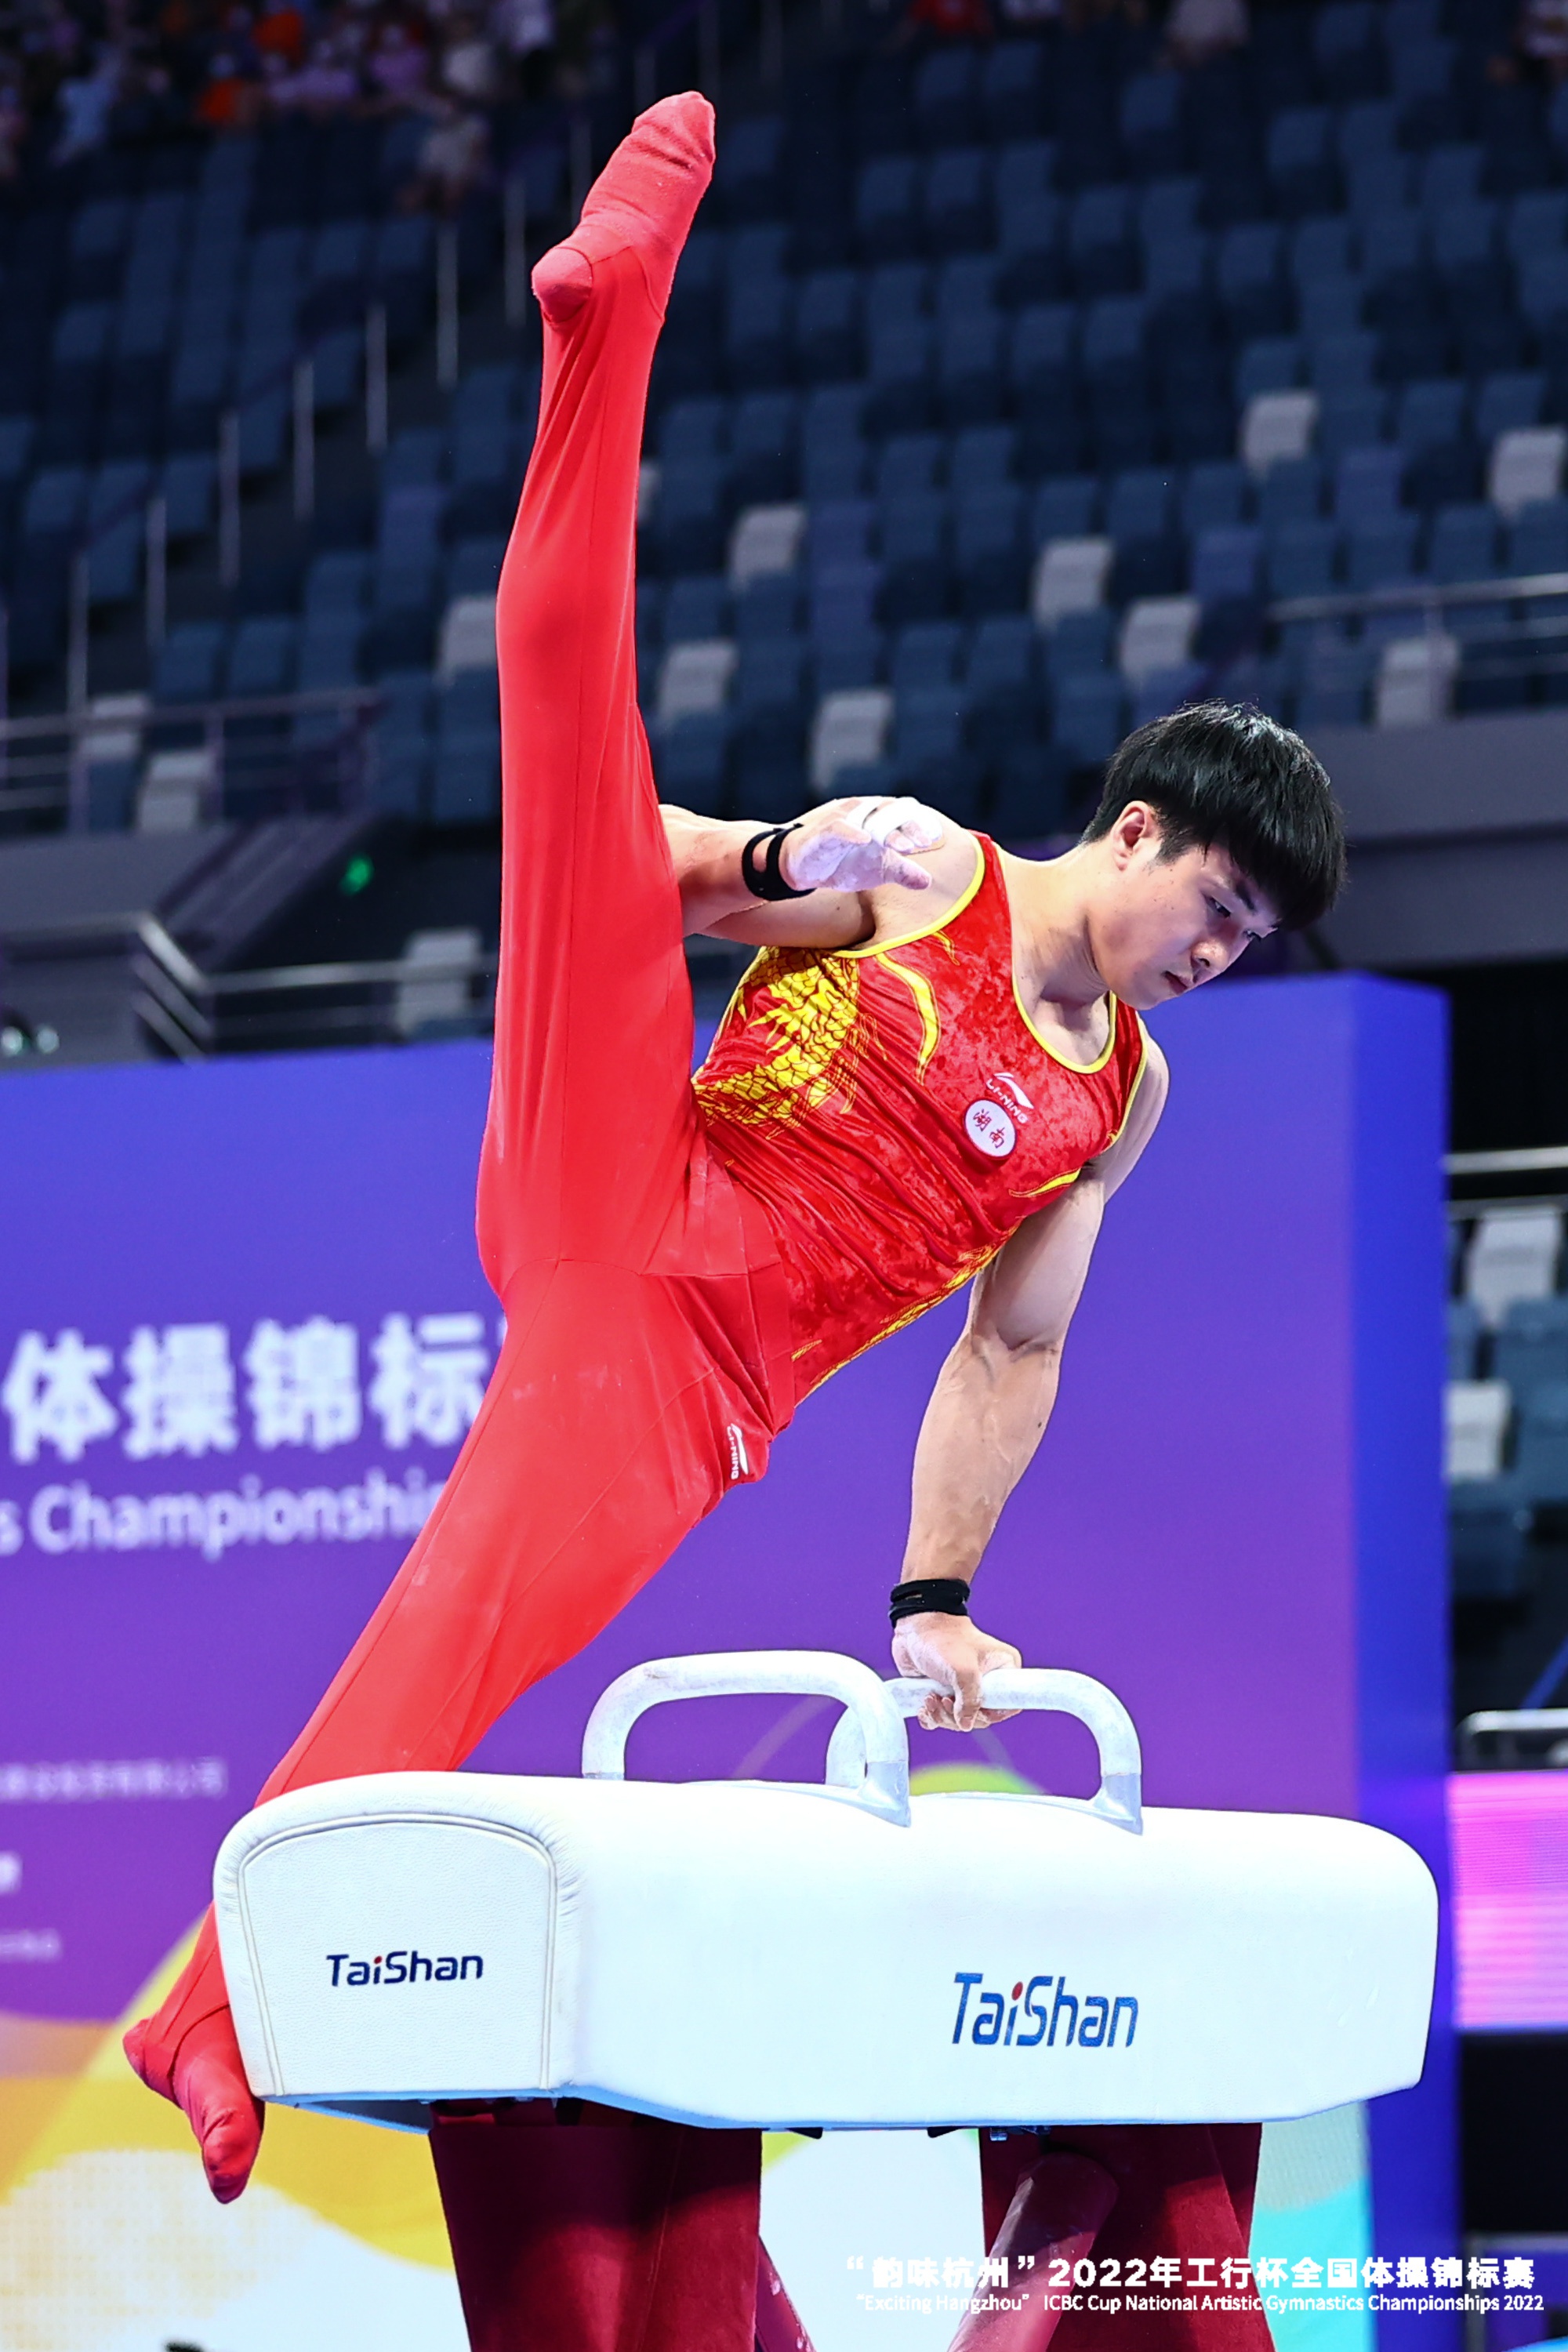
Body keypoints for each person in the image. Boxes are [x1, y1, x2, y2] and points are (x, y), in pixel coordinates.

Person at [125, 93, 1345, 2348]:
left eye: (1254, 941)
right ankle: (610, 312)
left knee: (463, 1628)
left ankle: (213, 1997)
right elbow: (659, 870)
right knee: (569, 741)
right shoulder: (932, 865)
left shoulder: (1122, 1099)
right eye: (1220, 903)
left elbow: (1012, 1350)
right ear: (1141, 829)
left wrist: (934, 1600)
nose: (1219, 951)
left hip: (686, 1378)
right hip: (627, 1177)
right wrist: (790, 864)